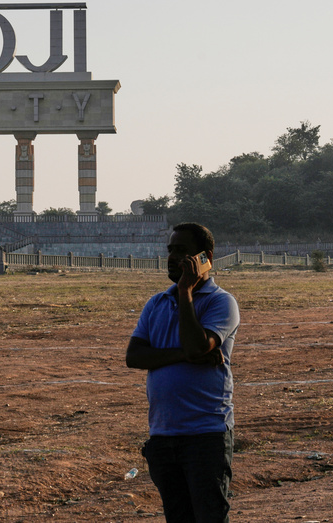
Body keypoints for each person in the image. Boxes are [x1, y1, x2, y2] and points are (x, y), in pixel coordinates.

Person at [126, 222, 240, 523]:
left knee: (209, 517)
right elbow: (134, 356)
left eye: (182, 251)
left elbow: (196, 344)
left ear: (206, 258)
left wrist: (186, 291)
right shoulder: (157, 303)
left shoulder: (222, 302)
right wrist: (186, 355)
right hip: (163, 435)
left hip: (205, 435)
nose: (173, 257)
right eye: (170, 250)